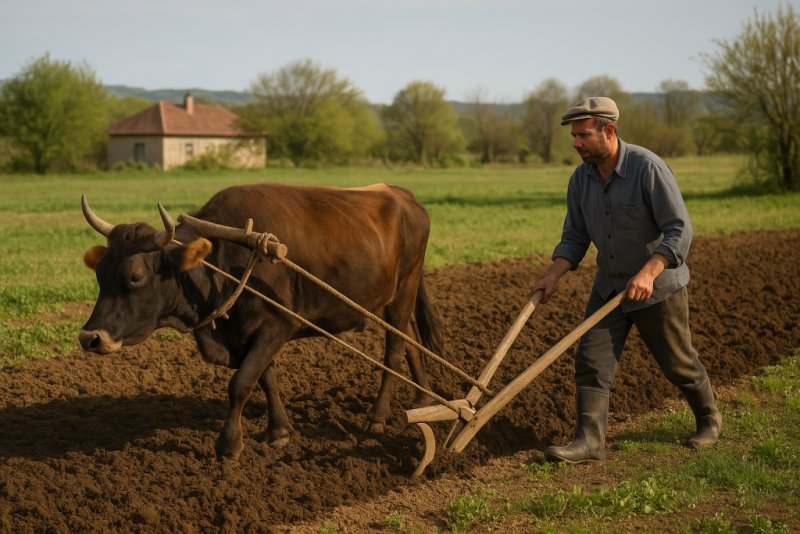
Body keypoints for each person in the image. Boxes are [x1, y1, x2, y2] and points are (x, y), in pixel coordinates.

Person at [531, 96, 722, 464]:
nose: (576, 143)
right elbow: (574, 237)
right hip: (610, 286)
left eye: (584, 135)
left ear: (609, 130)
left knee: (677, 362)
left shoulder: (646, 168)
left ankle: (709, 419)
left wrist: (649, 272)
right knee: (592, 359)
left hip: (658, 289)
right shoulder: (581, 180)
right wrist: (552, 276)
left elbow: (679, 230)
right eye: (574, 136)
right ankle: (589, 441)